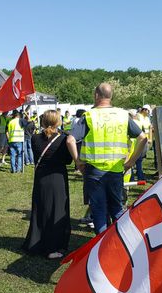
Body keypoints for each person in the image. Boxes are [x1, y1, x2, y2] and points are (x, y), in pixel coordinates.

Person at [72, 82, 147, 233]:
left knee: (99, 210)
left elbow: (70, 140)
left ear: (96, 95)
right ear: (111, 96)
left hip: (94, 171)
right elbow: (143, 138)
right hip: (116, 170)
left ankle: (102, 247)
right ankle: (122, 242)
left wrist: (77, 161)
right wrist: (131, 161)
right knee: (117, 208)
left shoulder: (89, 116)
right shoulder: (122, 115)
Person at [23, 110, 80, 259]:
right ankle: (53, 246)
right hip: (57, 178)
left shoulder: (34, 138)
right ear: (58, 122)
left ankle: (36, 242)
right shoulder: (63, 139)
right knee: (57, 211)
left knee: (40, 210)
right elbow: (68, 160)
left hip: (41, 177)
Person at [133, 105, 152, 181]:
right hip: (139, 140)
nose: (148, 113)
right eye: (148, 111)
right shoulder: (138, 116)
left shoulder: (147, 118)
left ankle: (139, 173)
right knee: (138, 158)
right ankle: (140, 175)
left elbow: (150, 128)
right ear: (144, 110)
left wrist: (150, 138)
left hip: (145, 140)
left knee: (141, 158)